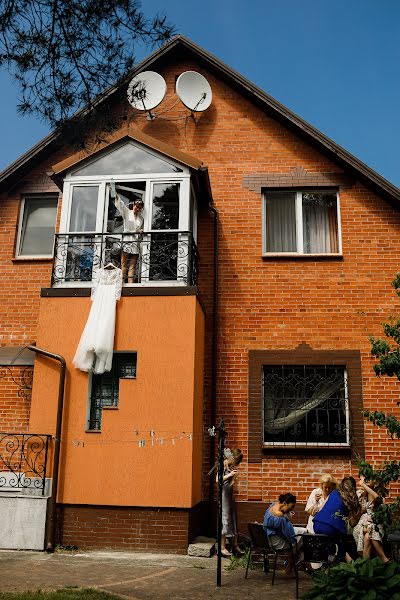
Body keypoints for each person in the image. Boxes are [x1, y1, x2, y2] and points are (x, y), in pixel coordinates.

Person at [313, 476, 362, 562]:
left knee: (333, 545)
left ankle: (329, 567)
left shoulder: (333, 493)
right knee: (342, 544)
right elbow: (352, 523)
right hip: (331, 528)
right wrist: (361, 511)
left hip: (317, 524)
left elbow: (320, 509)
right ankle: (340, 567)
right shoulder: (350, 499)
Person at [263, 493, 307, 575]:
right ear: (284, 503)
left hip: (271, 537)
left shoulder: (273, 505)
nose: (292, 509)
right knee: (301, 542)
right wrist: (295, 543)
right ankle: (291, 565)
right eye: (292, 506)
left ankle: (292, 563)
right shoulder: (280, 516)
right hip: (277, 542)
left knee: (304, 532)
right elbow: (290, 535)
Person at [352, 475, 390, 562]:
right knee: (368, 529)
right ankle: (383, 558)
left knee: (367, 537)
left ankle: (365, 563)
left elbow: (377, 498)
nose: (367, 480)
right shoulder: (361, 494)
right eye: (366, 478)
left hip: (375, 522)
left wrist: (364, 485)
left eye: (370, 478)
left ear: (375, 481)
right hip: (362, 522)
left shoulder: (378, 493)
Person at [218, 448, 244, 557]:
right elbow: (217, 479)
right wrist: (230, 475)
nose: (237, 464)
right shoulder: (222, 465)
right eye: (237, 462)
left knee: (233, 519)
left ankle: (234, 545)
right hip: (224, 497)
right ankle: (222, 547)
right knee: (225, 519)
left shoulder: (230, 466)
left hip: (230, 496)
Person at [113, 193, 144, 283]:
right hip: (127, 240)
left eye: (139, 207)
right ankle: (121, 283)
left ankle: (131, 284)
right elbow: (121, 205)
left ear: (141, 208)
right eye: (136, 206)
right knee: (124, 263)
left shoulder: (141, 219)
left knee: (133, 265)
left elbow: (140, 229)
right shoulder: (127, 212)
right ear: (133, 205)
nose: (137, 208)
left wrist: (141, 231)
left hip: (135, 241)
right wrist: (116, 195)